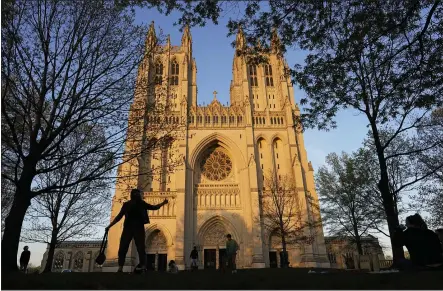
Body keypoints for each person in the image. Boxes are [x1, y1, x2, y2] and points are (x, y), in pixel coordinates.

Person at [106, 189, 168, 273]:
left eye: (138, 194)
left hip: (136, 228)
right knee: (125, 248)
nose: (139, 195)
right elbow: (119, 216)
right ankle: (121, 267)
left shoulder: (140, 204)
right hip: (130, 228)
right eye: (137, 194)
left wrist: (162, 203)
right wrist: (109, 226)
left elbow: (153, 207)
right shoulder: (128, 204)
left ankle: (141, 267)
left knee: (138, 248)